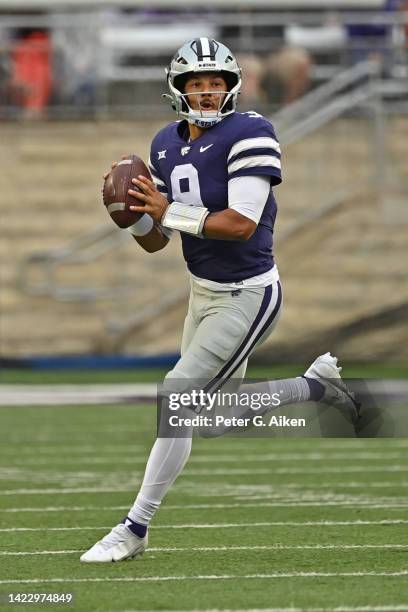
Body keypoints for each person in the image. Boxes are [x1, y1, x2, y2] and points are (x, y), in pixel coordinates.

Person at [80, 37, 360, 563]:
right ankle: (313, 387)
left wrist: (164, 208)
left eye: (216, 83)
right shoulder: (164, 141)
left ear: (231, 87)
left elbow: (239, 224)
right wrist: (129, 213)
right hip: (202, 291)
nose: (206, 92)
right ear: (178, 88)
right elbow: (157, 240)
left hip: (248, 293)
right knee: (207, 418)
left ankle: (134, 527)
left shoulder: (252, 131)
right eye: (196, 83)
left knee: (177, 397)